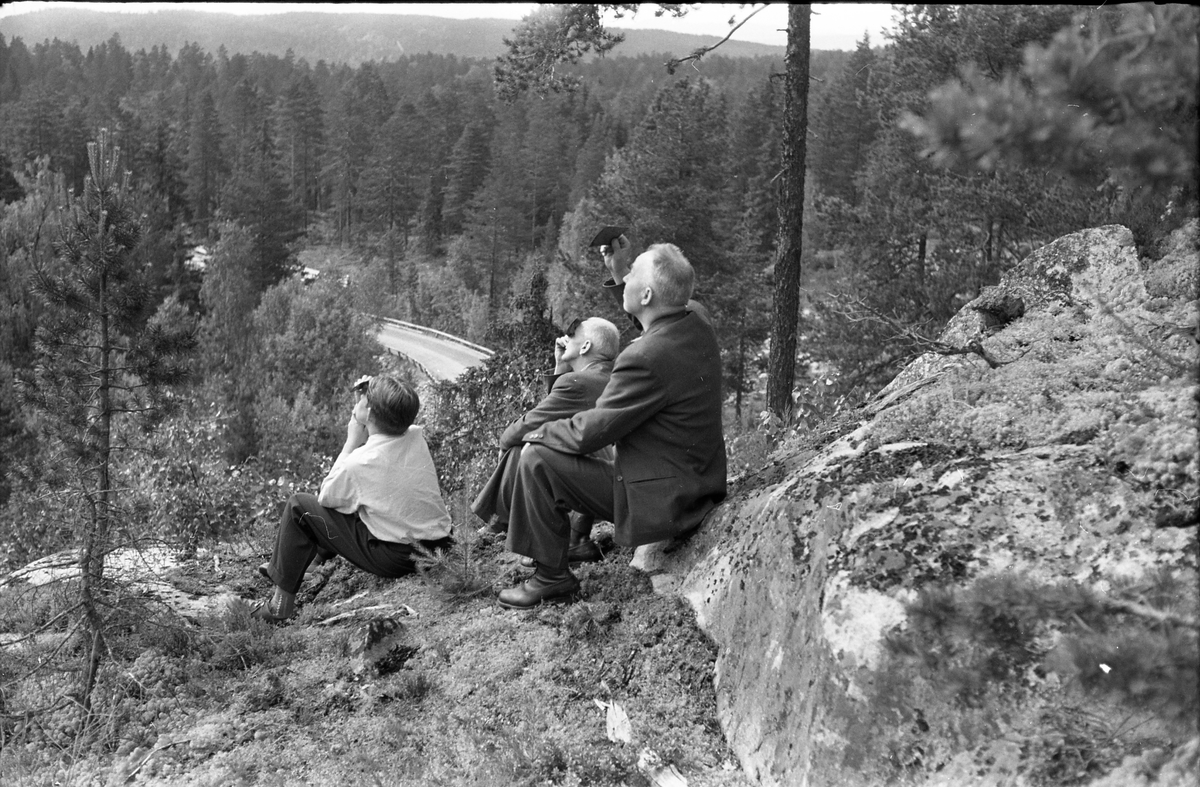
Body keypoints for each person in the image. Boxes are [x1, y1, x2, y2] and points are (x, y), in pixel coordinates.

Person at [498, 241, 727, 609]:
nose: (627, 277)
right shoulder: (695, 320)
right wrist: (621, 272)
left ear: (648, 293)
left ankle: (550, 578)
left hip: (668, 501)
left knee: (537, 459)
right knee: (568, 448)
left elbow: (590, 432)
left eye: (633, 273)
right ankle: (574, 541)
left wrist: (534, 432)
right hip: (698, 479)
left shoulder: (643, 357)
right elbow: (656, 314)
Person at [253, 375, 453, 622]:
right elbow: (390, 418)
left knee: (299, 507)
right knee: (355, 501)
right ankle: (309, 565)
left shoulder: (360, 463)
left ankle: (278, 606)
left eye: (362, 400)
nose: (357, 402)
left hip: (397, 558)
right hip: (441, 546)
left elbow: (326, 497)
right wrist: (369, 399)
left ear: (369, 413)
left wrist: (351, 441)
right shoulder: (415, 436)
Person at [471, 317, 620, 563]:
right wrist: (560, 367)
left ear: (585, 347)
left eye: (572, 334)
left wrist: (503, 442)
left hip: (601, 477)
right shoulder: (606, 376)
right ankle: (567, 537)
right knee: (537, 442)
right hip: (609, 467)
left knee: (521, 446)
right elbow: (556, 413)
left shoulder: (580, 382)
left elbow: (533, 421)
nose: (565, 338)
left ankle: (500, 525)